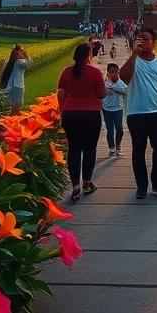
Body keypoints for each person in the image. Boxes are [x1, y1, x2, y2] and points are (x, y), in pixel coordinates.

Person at [119, 27, 157, 200]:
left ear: (154, 44)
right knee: (139, 149)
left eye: (146, 39)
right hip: (136, 113)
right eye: (139, 39)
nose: (142, 42)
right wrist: (134, 54)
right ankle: (141, 185)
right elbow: (123, 77)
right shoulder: (134, 61)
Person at [57, 43, 107, 200]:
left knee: (74, 149)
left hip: (71, 114)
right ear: (88, 55)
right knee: (90, 148)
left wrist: (63, 111)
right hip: (90, 114)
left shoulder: (66, 72)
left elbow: (61, 94)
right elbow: (101, 94)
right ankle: (87, 182)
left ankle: (75, 186)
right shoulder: (94, 72)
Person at [102, 62, 127, 157]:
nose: (114, 74)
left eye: (116, 72)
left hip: (118, 108)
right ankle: (111, 147)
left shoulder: (121, 83)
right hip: (107, 108)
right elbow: (102, 92)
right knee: (110, 129)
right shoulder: (105, 83)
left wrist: (114, 88)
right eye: (112, 72)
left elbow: (124, 90)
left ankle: (118, 144)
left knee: (119, 128)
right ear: (108, 73)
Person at [0, 44, 29, 114]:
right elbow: (28, 65)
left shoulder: (9, 61)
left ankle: (11, 120)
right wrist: (26, 56)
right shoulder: (19, 62)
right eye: (21, 51)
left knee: (11, 106)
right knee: (16, 106)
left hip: (9, 86)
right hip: (16, 86)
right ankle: (13, 122)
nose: (22, 53)